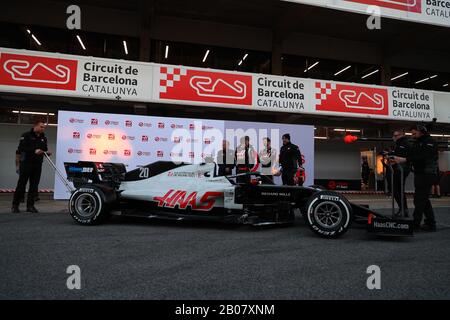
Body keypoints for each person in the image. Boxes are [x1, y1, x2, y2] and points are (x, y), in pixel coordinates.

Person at [393, 124, 438, 231]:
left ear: (422, 131)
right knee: (424, 199)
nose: (412, 135)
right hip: (420, 173)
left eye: (414, 133)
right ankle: (431, 223)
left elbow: (423, 157)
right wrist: (395, 156)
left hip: (427, 174)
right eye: (412, 133)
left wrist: (405, 160)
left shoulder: (429, 142)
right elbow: (412, 155)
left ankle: (415, 224)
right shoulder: (418, 142)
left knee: (419, 200)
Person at [11, 119, 51, 213]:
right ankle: (15, 205)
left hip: (37, 164)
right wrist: (34, 150)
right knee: (21, 184)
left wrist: (46, 152)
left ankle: (30, 206)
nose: (43, 129)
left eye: (44, 127)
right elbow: (21, 148)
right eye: (41, 127)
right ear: (35, 126)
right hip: (26, 163)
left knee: (34, 186)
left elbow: (45, 148)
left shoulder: (43, 138)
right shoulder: (26, 135)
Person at [391, 130, 411, 217]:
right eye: (393, 136)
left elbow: (402, 157)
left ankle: (403, 209)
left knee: (397, 189)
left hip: (402, 169)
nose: (393, 137)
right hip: (400, 169)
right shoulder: (400, 144)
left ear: (401, 135)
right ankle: (403, 208)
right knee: (397, 189)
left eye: (395, 136)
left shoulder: (404, 144)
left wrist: (394, 157)